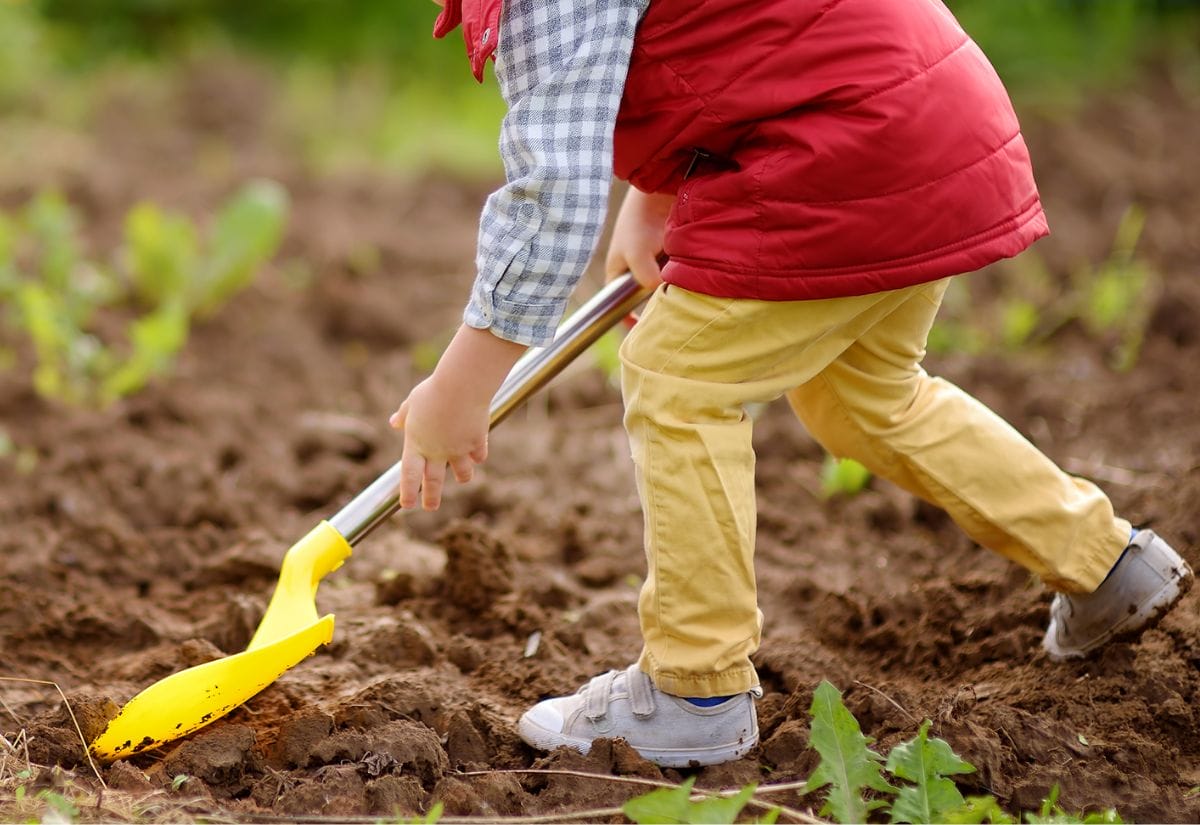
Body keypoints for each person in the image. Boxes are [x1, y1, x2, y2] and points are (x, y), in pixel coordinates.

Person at [392, 0, 1194, 768]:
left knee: (680, 375)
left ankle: (692, 689)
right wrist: (656, 193)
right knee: (863, 394)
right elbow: (735, 32)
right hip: (926, 117)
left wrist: (461, 386)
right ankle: (1103, 561)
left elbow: (552, 199)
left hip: (842, 145)